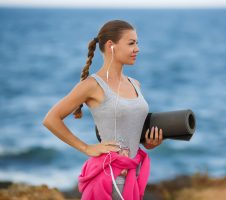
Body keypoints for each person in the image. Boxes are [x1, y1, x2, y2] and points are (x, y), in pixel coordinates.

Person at [42, 19, 163, 199]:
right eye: (131, 43)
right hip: (109, 179)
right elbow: (51, 119)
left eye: (137, 43)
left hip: (134, 175)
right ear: (110, 46)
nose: (137, 49)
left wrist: (149, 143)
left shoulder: (135, 84)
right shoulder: (92, 85)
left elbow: (130, 130)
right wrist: (87, 148)